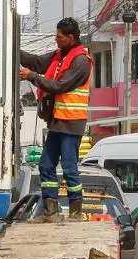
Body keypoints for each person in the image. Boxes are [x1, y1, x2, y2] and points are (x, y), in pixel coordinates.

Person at [19, 17, 92, 222]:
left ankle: (76, 211)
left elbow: (59, 86)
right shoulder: (59, 56)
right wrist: (14, 48)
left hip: (71, 122)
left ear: (71, 37)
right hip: (57, 121)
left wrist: (31, 76)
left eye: (59, 37)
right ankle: (50, 211)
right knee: (45, 165)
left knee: (69, 167)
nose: (56, 40)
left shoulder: (81, 61)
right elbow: (36, 62)